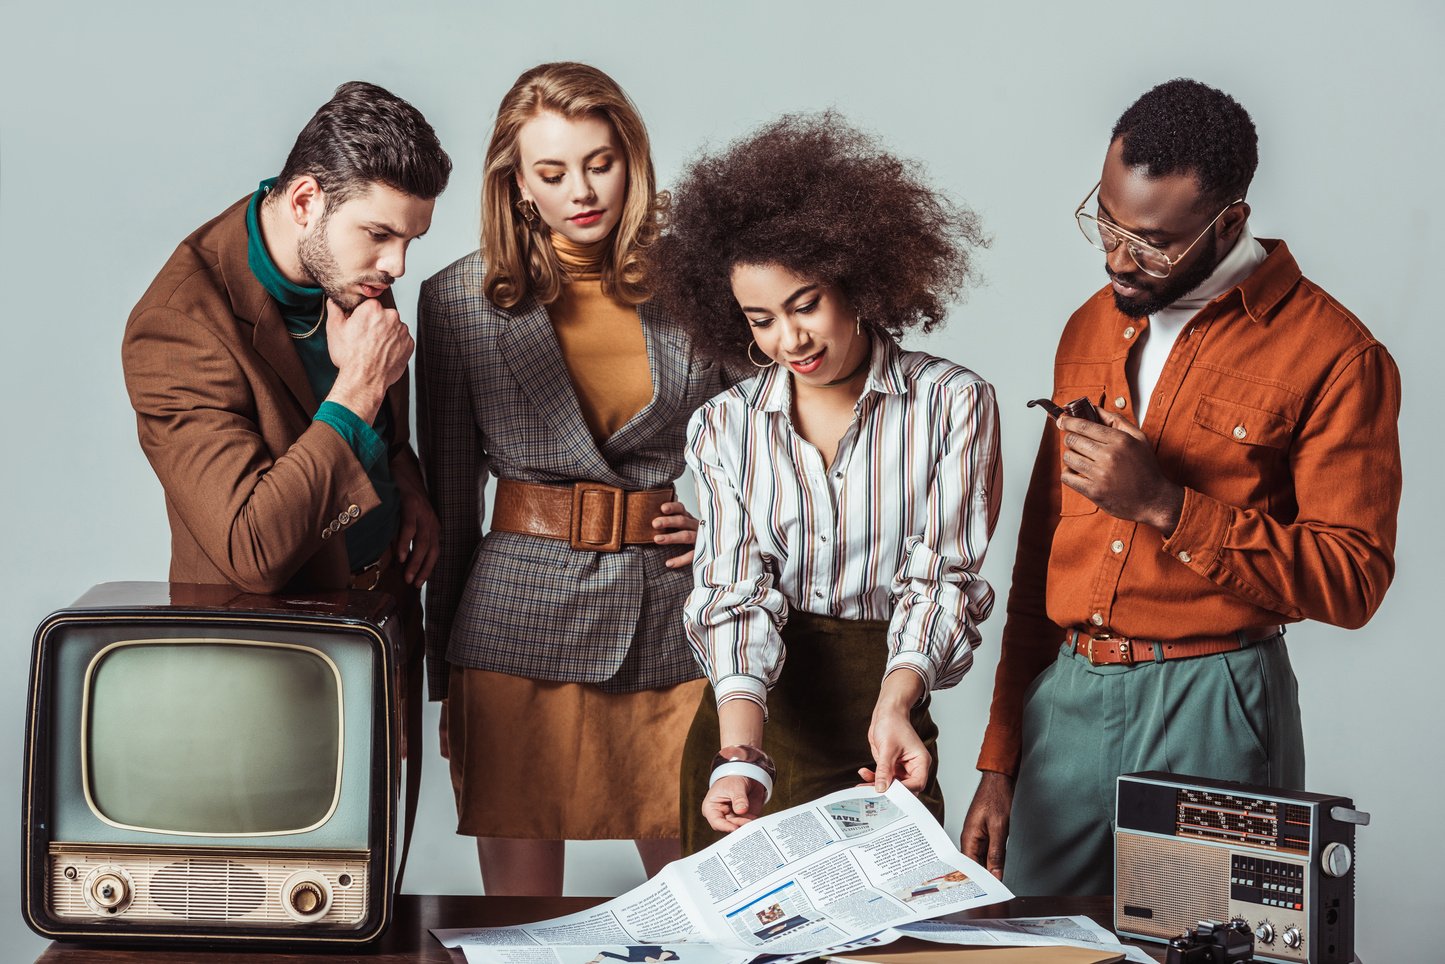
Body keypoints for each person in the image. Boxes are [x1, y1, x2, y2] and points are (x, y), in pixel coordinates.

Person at [961, 79, 1402, 895]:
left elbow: (1354, 579)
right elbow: (1038, 555)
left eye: (1153, 244)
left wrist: (1166, 506)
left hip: (1215, 704)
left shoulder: (1336, 355)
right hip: (1067, 696)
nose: (1115, 259)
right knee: (1029, 944)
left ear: (1228, 221)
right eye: (1106, 222)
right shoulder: (1091, 324)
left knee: (1200, 949)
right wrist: (998, 758)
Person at [416, 62, 732, 895]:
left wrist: (731, 530)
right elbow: (448, 501)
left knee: (710, 911)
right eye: (551, 173)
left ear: (631, 160)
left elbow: (774, 443)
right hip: (514, 632)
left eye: (600, 162)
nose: (581, 190)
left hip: (673, 626)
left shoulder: (699, 289)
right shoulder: (457, 302)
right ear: (516, 183)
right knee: (518, 931)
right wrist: (441, 680)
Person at [650, 113, 1002, 853]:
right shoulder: (725, 426)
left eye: (805, 304)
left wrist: (897, 703)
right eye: (761, 319)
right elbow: (732, 594)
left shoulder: (952, 404)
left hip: (885, 726)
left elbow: (941, 577)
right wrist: (741, 755)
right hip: (752, 736)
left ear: (857, 279)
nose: (790, 340)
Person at [122, 82, 449, 674]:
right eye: (380, 234)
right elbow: (254, 549)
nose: (397, 266)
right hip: (273, 661)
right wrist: (359, 389)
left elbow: (382, 431)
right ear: (305, 202)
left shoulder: (352, 268)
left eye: (410, 240)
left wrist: (407, 483)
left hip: (385, 621)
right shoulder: (178, 324)